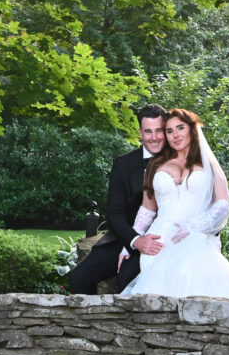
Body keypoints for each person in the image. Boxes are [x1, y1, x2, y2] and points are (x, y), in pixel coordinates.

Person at [119, 108, 229, 301]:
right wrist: (129, 244)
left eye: (180, 128)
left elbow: (222, 206)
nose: (175, 135)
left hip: (195, 237)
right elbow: (147, 209)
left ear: (192, 130)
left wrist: (193, 227)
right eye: (169, 131)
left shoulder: (208, 165)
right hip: (158, 243)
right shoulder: (155, 165)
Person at [68, 104, 167, 294]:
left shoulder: (178, 161)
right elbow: (114, 213)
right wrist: (135, 240)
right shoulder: (123, 163)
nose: (154, 137)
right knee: (79, 278)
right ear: (140, 132)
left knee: (127, 277)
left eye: (159, 131)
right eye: (148, 131)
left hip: (162, 239)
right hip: (125, 236)